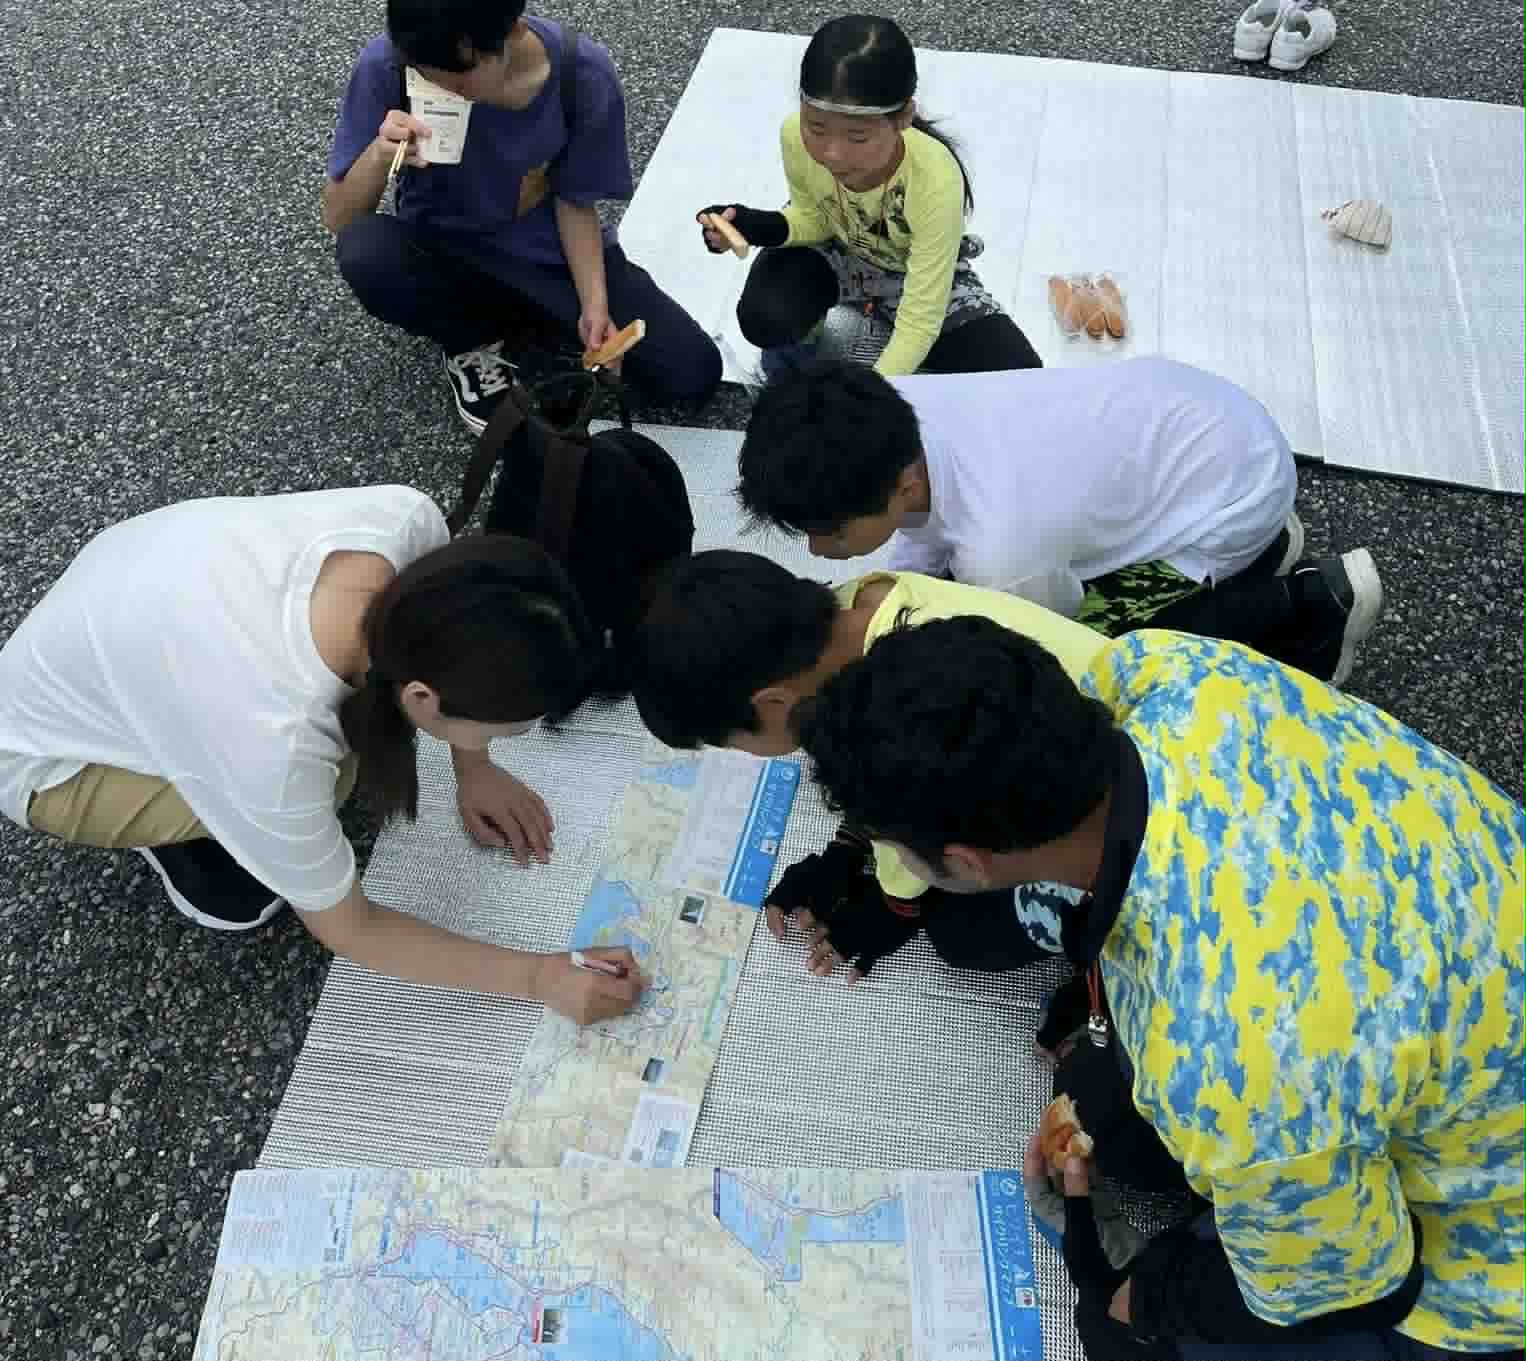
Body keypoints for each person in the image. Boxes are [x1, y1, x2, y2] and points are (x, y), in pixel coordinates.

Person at [794, 615, 1525, 1361]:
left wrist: (1141, 1295)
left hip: (1493, 1257)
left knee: (1119, 1336)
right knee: (1118, 1119)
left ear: (965, 863)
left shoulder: (1223, 1057)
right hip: (1466, 959)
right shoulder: (1164, 667)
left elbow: (1365, 1287)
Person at [0, 486, 645, 1025]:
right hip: (46, 761)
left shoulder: (407, 525)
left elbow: (453, 642)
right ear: (423, 697)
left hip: (124, 586)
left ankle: (204, 774)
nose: (501, 743)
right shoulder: (276, 742)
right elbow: (352, 928)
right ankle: (188, 836)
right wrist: (541, 977)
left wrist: (474, 766)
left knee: (337, 763)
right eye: (502, 733)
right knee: (322, 792)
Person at [737, 358, 1384, 685]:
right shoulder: (888, 405)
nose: (818, 551)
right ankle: (1259, 551)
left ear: (901, 485)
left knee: (1104, 654)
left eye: (830, 532)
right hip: (1207, 423)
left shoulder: (1002, 547)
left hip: (1238, 493)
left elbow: (1053, 628)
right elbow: (920, 537)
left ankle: (1308, 607)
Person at [630, 549, 1108, 983]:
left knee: (960, 934)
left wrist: (895, 904)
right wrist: (848, 848)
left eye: (731, 743)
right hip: (1088, 729)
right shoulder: (861, 605)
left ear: (773, 703)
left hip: (1090, 809)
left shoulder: (897, 706)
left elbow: (922, 801)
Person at [324, 0, 721, 431]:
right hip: (445, 251)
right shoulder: (390, 64)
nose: (442, 88)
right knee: (366, 252)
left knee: (691, 373)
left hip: (548, 257)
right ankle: (470, 341)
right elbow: (341, 218)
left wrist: (594, 306)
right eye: (425, 74)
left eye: (459, 77)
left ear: (513, 31)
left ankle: (529, 331)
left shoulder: (581, 75)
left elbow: (575, 202)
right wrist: (379, 155)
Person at [697, 14, 1041, 381]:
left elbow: (920, 319)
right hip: (835, 248)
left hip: (909, 270)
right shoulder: (793, 135)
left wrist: (868, 391)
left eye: (857, 137)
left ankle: (864, 340)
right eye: (816, 127)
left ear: (903, 117)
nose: (832, 154)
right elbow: (812, 218)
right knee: (766, 316)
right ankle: (813, 351)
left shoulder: (935, 179)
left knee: (1021, 377)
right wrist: (753, 225)